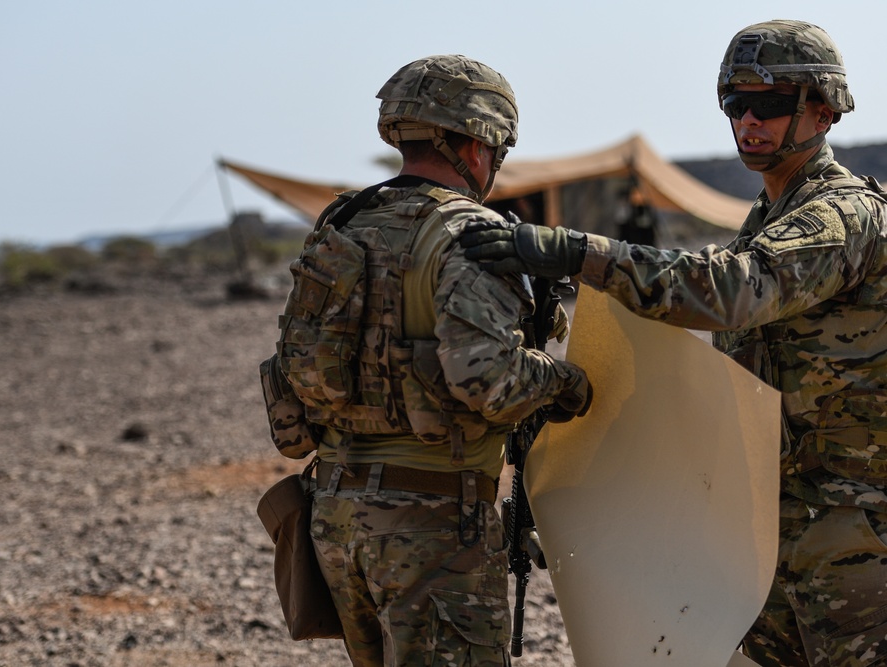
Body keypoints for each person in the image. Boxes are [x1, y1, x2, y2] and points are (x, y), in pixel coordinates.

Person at [459, 20, 887, 667]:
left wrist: (580, 253)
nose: (748, 120)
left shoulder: (841, 214)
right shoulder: (766, 222)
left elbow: (732, 290)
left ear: (823, 109)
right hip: (769, 532)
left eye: (769, 104)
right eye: (734, 104)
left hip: (855, 533)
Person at [284, 54, 592, 666]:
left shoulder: (343, 220)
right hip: (431, 524)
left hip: (335, 516)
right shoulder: (470, 233)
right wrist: (567, 383)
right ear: (476, 143)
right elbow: (488, 379)